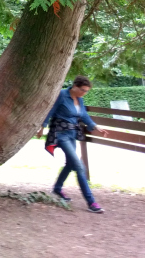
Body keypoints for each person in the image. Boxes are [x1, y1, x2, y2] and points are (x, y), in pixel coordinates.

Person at [37, 75, 109, 213]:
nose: (84, 93)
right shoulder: (62, 95)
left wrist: (95, 127)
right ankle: (91, 202)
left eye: (86, 91)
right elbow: (50, 111)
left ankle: (57, 189)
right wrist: (42, 127)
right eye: (82, 90)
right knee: (79, 166)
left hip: (73, 135)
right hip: (61, 134)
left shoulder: (80, 99)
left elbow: (83, 116)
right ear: (75, 86)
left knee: (70, 164)